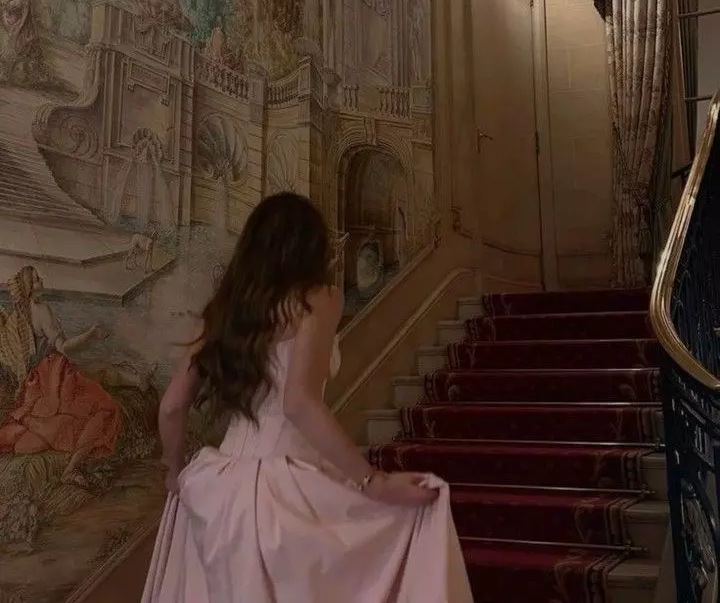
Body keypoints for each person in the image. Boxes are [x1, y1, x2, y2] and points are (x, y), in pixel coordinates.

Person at [142, 192, 472, 602]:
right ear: (310, 246)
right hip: (287, 492)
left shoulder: (223, 312)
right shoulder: (318, 299)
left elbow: (172, 406)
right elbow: (298, 402)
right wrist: (373, 481)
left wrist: (175, 471)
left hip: (219, 493)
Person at [0, 266, 121, 486]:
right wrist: (91, 335)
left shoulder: (19, 314)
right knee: (103, 407)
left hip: (36, 380)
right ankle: (71, 468)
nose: (41, 280)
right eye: (36, 279)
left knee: (94, 381)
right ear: (29, 288)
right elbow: (64, 347)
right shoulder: (42, 309)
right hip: (53, 373)